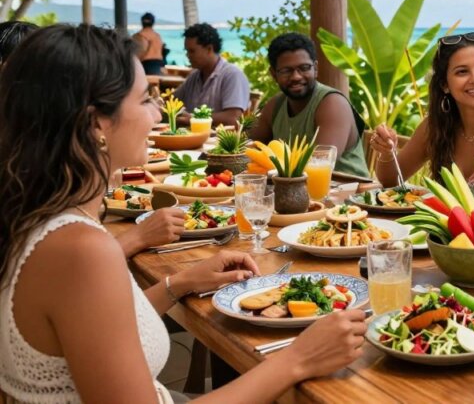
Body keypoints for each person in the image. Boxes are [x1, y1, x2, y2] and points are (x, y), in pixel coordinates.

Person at [0, 24, 367, 403]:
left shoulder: (39, 217)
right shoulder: (81, 250)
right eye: (145, 100)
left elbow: (99, 327)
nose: (159, 113)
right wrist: (298, 360)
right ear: (97, 124)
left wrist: (182, 282)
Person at [369, 32, 474, 186]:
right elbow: (391, 180)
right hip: (439, 222)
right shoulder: (435, 127)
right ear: (445, 85)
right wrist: (387, 152)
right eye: (462, 72)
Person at [249, 32, 369, 177]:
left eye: (304, 68)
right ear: (274, 74)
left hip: (348, 194)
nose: (296, 76)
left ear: (315, 68)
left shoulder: (332, 103)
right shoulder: (276, 105)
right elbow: (247, 146)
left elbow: (319, 163)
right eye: (287, 71)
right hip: (293, 192)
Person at [173, 23, 250, 128]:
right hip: (191, 140)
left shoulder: (232, 75)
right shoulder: (194, 76)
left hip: (217, 142)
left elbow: (233, 118)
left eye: (192, 51)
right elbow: (172, 101)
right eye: (186, 51)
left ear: (209, 49)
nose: (187, 55)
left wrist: (194, 119)